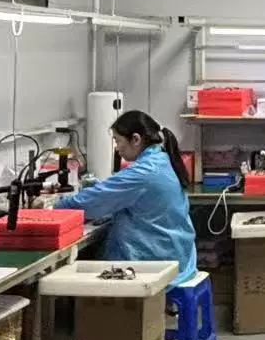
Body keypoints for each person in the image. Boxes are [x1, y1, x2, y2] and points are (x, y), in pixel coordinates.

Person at [56, 110, 197, 280]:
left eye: (118, 141)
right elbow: (113, 193)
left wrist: (54, 208)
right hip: (177, 256)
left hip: (156, 262)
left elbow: (90, 203)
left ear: (136, 139)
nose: (117, 148)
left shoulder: (144, 172)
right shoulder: (162, 159)